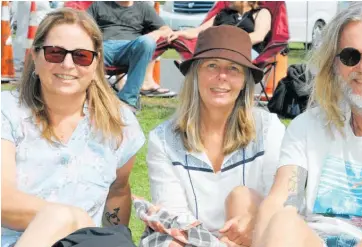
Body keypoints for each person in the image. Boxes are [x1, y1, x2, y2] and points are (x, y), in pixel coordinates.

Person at [252, 2, 362, 247]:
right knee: (282, 221)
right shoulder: (307, 126)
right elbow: (280, 199)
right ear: (334, 65)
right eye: (350, 56)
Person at [1, 8, 145, 247]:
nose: (68, 64)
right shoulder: (6, 111)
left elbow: (118, 191)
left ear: (96, 63)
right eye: (55, 53)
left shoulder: (121, 124)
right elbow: (2, 200)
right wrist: (72, 218)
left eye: (81, 56)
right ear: (35, 58)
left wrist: (114, 236)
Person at [145, 25, 286, 247]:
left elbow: (281, 200)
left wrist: (252, 228)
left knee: (242, 197)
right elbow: (175, 212)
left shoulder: (268, 129)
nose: (222, 77)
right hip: (192, 240)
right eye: (212, 65)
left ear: (244, 81)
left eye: (233, 68)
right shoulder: (163, 139)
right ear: (195, 73)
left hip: (252, 235)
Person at [86, 1, 175, 112]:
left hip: (130, 48)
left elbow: (166, 30)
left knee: (147, 42)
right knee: (87, 48)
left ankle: (128, 99)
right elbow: (82, 25)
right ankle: (92, 99)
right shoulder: (99, 5)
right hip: (103, 47)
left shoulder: (143, 8)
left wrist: (154, 34)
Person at [168, 1, 272, 60]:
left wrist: (228, 43)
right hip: (221, 51)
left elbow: (259, 36)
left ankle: (194, 64)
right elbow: (199, 31)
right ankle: (193, 65)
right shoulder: (223, 14)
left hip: (249, 50)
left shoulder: (261, 13)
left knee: (218, 58)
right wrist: (180, 33)